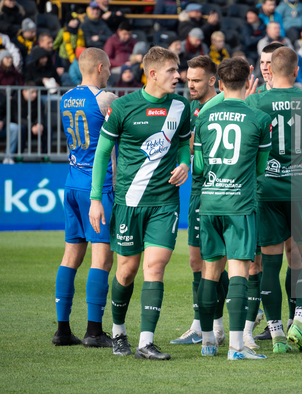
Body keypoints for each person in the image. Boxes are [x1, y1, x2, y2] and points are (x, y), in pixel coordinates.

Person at [89, 46, 192, 361]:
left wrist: (185, 164)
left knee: (155, 267)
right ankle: (119, 333)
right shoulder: (122, 107)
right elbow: (103, 153)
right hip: (129, 202)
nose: (179, 76)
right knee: (126, 270)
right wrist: (96, 199)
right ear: (153, 74)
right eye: (173, 71)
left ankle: (146, 342)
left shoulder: (181, 107)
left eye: (179, 70)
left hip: (165, 202)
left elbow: (185, 145)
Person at [245, 46, 302, 354]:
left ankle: (276, 332)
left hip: (266, 189)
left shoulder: (255, 101)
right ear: (295, 71)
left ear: (270, 70)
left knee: (270, 260)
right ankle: (300, 322)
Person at [193, 57, 271, 360]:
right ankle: (237, 347)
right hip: (240, 204)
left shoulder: (204, 117)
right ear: (249, 77)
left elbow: (198, 167)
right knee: (239, 269)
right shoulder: (259, 119)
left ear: (219, 82)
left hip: (209, 202)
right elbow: (261, 170)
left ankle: (208, 342)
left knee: (209, 271)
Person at [53, 48, 118, 347]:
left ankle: (63, 330)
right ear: (101, 68)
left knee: (71, 255)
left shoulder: (67, 97)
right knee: (101, 258)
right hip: (98, 187)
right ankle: (94, 331)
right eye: (109, 68)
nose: (111, 73)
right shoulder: (105, 99)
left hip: (72, 182)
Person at [169, 55, 231, 347]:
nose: (189, 84)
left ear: (212, 81)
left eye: (195, 80)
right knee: (197, 261)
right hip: (196, 190)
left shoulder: (222, 105)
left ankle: (217, 326)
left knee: (217, 262)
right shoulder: (189, 106)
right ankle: (200, 325)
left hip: (221, 190)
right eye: (187, 79)